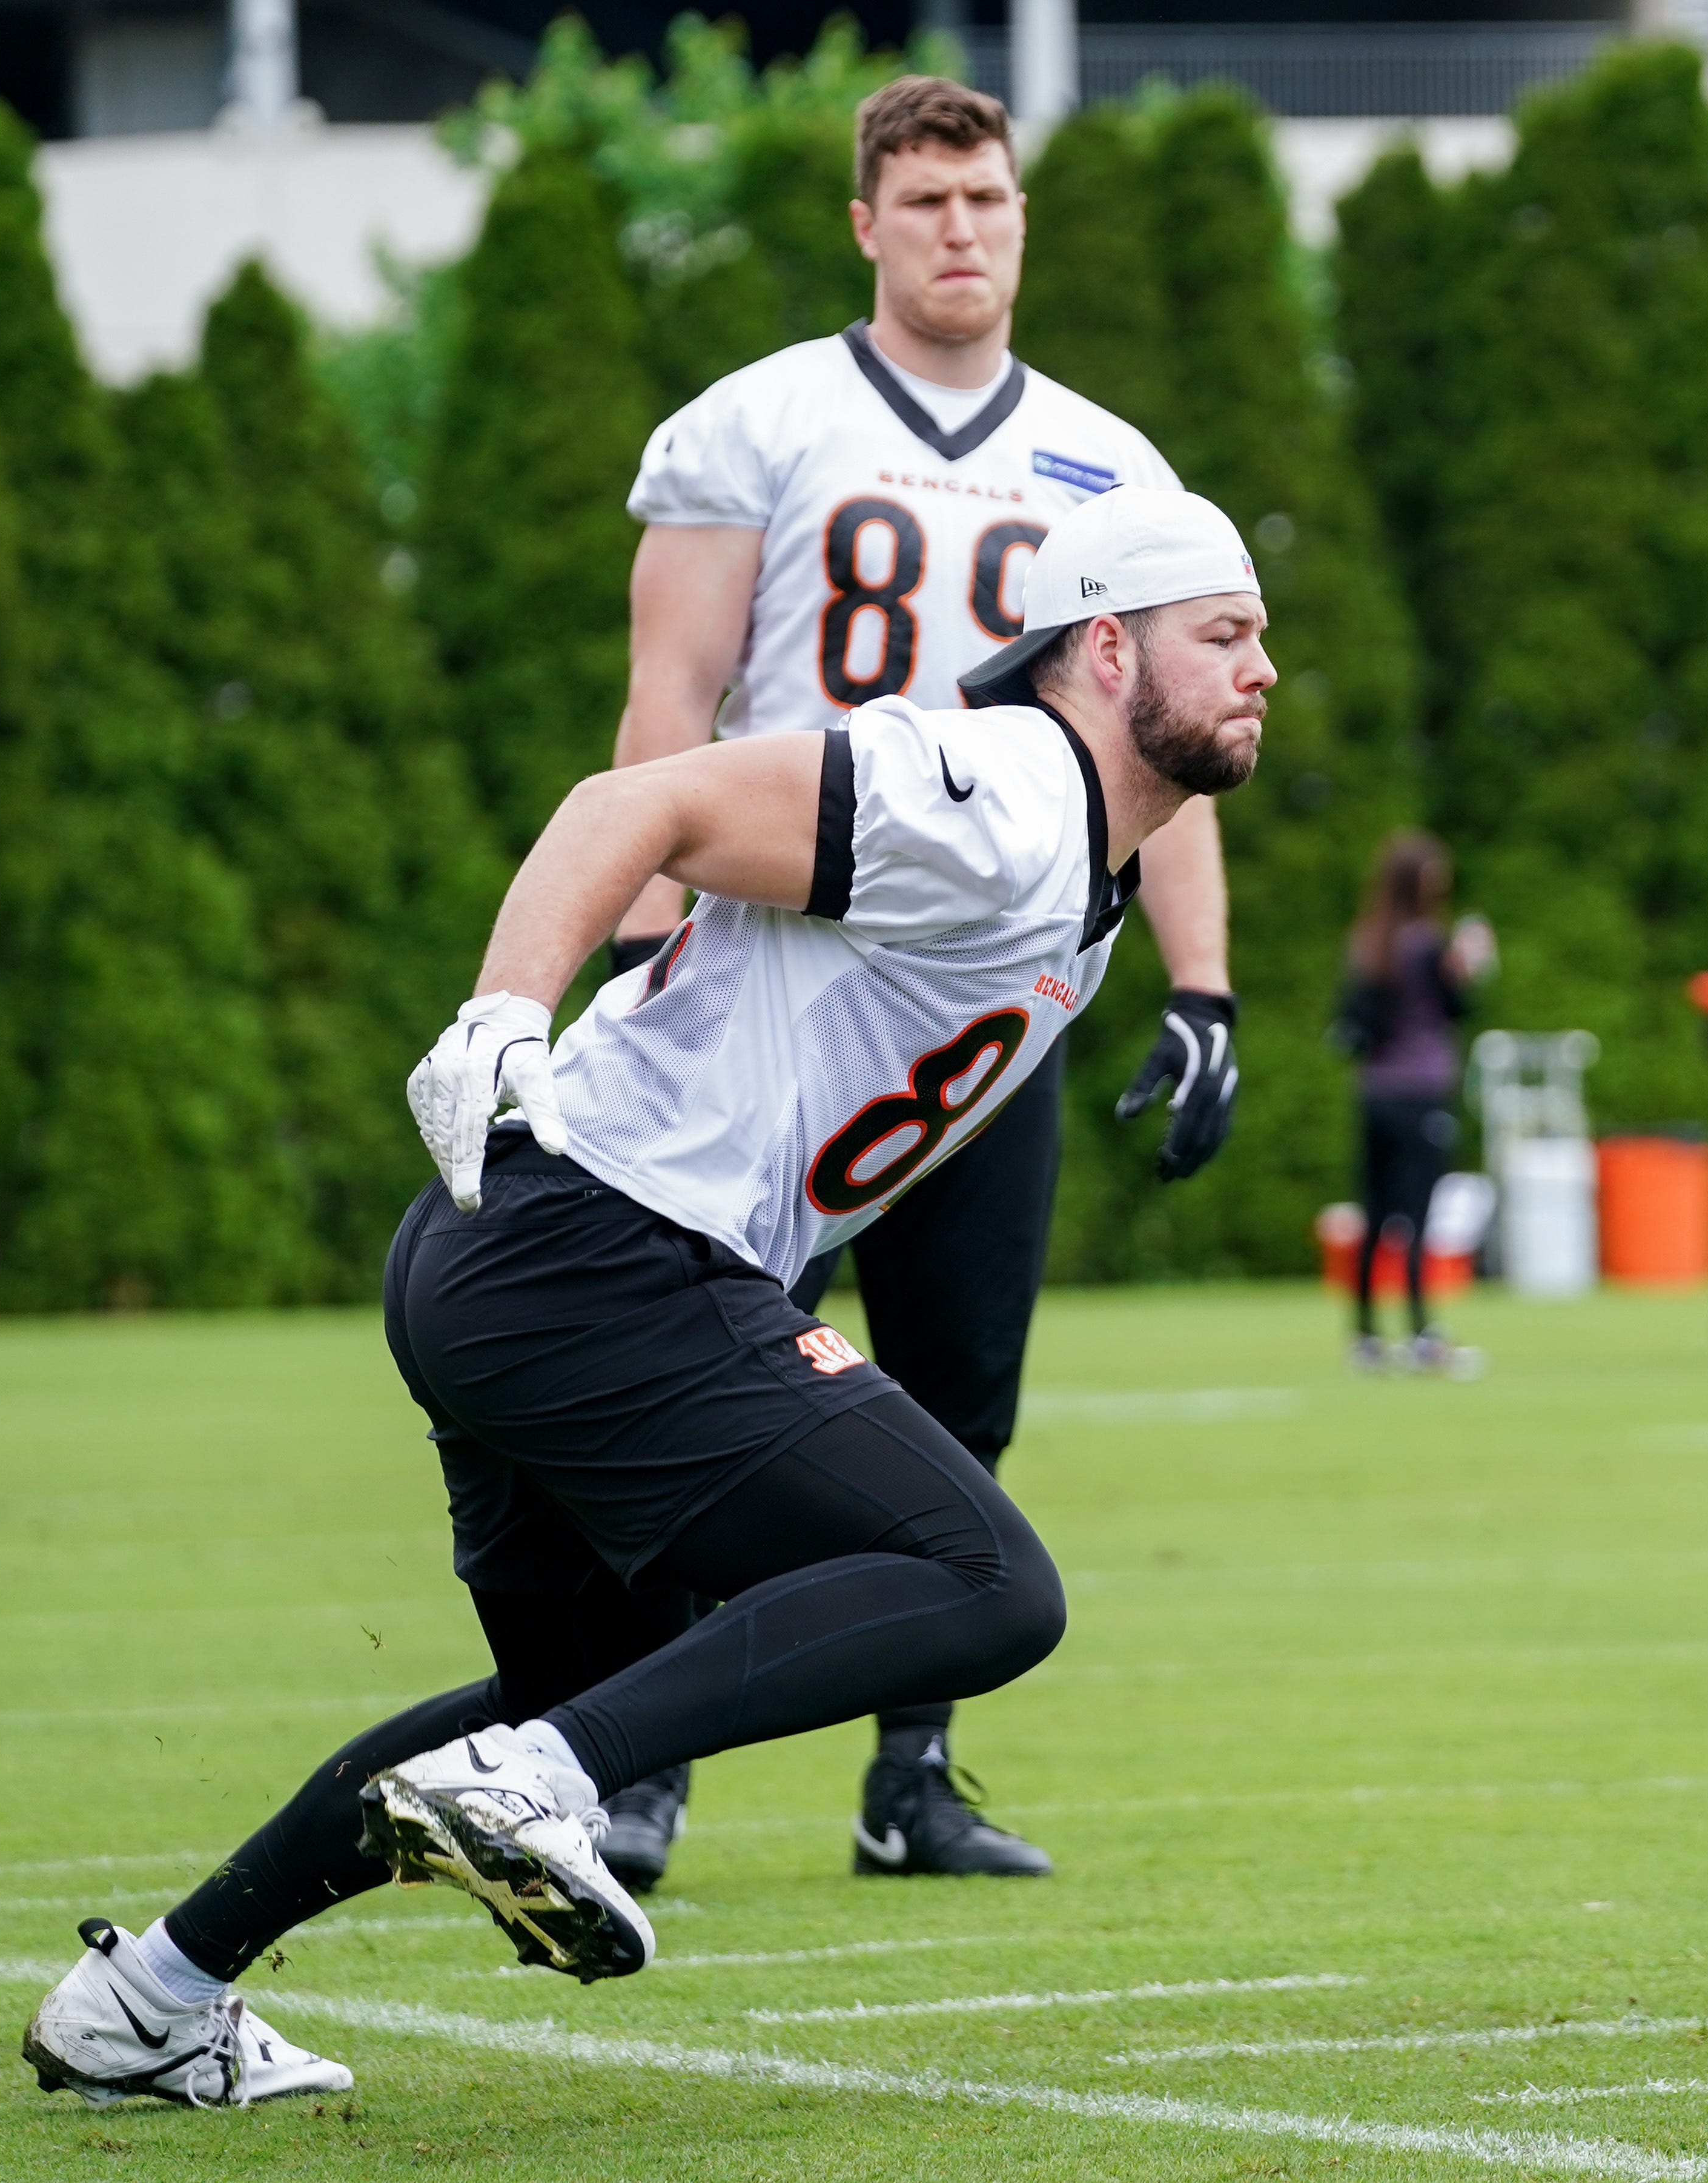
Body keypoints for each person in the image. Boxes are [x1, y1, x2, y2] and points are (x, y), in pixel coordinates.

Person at [18, 487, 1273, 2108]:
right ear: (1104, 648)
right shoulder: (1002, 789)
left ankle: (149, 1996)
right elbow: (643, 798)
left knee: (555, 1706)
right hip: (596, 1246)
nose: (1261, 669)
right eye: (1223, 633)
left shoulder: (1083, 864)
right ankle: (536, 1782)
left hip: (520, 1260)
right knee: (987, 1581)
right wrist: (502, 1008)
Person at [600, 75, 1243, 1888]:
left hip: (997, 989)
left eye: (989, 197)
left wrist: (1201, 986)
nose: (963, 228)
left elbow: (1175, 734)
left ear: (1022, 218)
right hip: (784, 968)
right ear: (867, 223)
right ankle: (640, 1761)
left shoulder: (1112, 464)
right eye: (929, 198)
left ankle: (912, 1774)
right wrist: (644, 938)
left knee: (961, 1386)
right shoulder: (759, 421)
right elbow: (668, 706)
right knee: (704, 1380)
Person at [1334, 829, 1492, 1370]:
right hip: (1421, 1091)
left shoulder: (1368, 942)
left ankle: (1364, 1335)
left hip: (1375, 1093)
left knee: (1375, 1216)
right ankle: (1423, 1331)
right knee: (1419, 1218)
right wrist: (1466, 969)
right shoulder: (1426, 944)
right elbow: (1456, 1008)